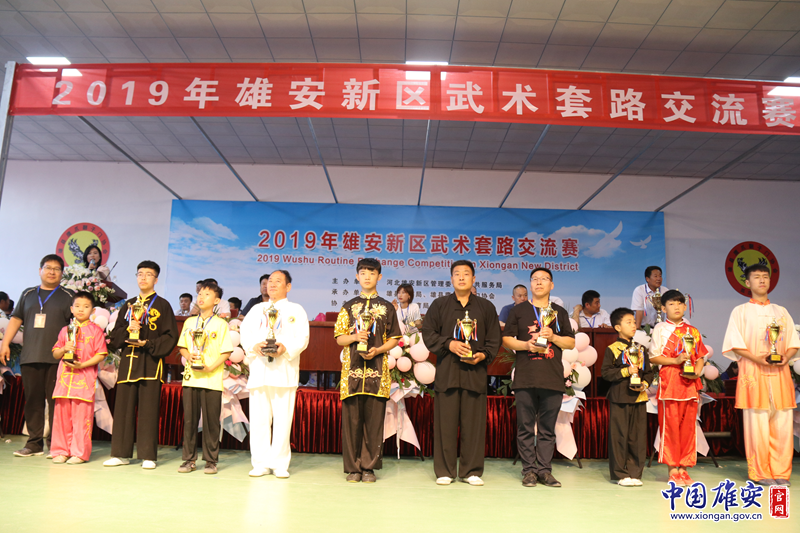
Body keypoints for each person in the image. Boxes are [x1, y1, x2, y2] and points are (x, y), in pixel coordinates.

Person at [423, 260, 500, 487]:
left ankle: (471, 471)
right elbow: (428, 334)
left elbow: (494, 339)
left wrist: (482, 355)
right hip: (447, 374)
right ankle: (445, 471)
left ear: (474, 279)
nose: (462, 277)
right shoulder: (439, 305)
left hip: (474, 374)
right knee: (445, 426)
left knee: (473, 426)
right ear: (451, 279)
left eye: (466, 274)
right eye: (457, 274)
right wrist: (450, 344)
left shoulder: (486, 307)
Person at [722, 264, 799, 486]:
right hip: (754, 374)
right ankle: (760, 472)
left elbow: (793, 342)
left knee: (782, 424)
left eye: (765, 276)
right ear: (748, 283)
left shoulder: (781, 311)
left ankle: (781, 472)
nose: (762, 280)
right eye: (756, 277)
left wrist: (785, 357)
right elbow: (735, 344)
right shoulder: (740, 311)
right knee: (757, 426)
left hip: (780, 374)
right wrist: (758, 359)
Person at [502, 267, 574, 488]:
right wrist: (526, 345)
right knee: (525, 427)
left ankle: (544, 470)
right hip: (526, 376)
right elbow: (506, 339)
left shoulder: (559, 312)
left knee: (547, 429)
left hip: (552, 377)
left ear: (552, 285)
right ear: (530, 284)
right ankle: (529, 471)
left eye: (544, 279)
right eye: (535, 279)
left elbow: (571, 342)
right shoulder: (519, 310)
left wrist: (553, 337)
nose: (539, 282)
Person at [104, 261, 178, 469]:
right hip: (128, 363)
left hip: (151, 364)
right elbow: (114, 337)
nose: (143, 277)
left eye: (148, 274)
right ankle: (120, 454)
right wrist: (129, 329)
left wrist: (148, 344)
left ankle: (148, 456)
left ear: (156, 279)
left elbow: (170, 336)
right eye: (140, 274)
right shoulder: (128, 305)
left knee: (148, 411)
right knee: (123, 411)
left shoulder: (162, 305)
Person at [335, 258, 400, 483]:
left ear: (379, 277)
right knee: (352, 422)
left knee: (374, 423)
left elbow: (395, 338)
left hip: (378, 371)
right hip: (352, 371)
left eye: (372, 273)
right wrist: (355, 337)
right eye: (363, 273)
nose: (367, 277)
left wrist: (379, 350)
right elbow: (339, 338)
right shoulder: (348, 306)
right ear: (357, 276)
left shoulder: (387, 307)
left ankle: (369, 468)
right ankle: (353, 468)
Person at [0, 255, 73, 457]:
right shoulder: (28, 294)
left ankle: (57, 445)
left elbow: (77, 325)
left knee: (56, 403)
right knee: (33, 401)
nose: (52, 272)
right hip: (30, 356)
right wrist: (5, 344)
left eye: (56, 269)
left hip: (58, 358)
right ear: (40, 270)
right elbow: (16, 319)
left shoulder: (69, 295)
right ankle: (34, 444)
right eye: (48, 268)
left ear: (62, 273)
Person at [241, 270, 309, 479]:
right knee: (259, 421)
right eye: (270, 281)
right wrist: (254, 346)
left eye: (278, 281)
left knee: (282, 421)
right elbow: (245, 333)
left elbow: (303, 338)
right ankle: (260, 463)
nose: (271, 284)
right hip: (260, 371)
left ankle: (280, 464)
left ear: (288, 286)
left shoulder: (296, 310)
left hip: (284, 372)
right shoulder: (257, 309)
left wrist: (285, 348)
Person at [648, 289, 706, 486]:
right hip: (670, 383)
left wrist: (697, 371)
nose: (677, 307)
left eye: (680, 303)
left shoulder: (693, 331)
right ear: (663, 308)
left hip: (690, 385)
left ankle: (684, 468)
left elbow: (700, 356)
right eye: (671, 304)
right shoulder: (660, 328)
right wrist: (675, 360)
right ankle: (672, 468)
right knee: (670, 427)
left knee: (688, 428)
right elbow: (654, 357)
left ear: (685, 306)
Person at [176, 281, 233, 475]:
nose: (201, 297)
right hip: (191, 378)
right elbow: (182, 346)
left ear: (216, 300)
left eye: (207, 294)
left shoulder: (221, 324)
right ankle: (189, 459)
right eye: (200, 293)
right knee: (189, 421)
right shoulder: (189, 322)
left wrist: (211, 367)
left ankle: (211, 460)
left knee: (211, 422)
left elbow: (226, 352)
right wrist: (188, 356)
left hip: (212, 379)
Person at [50, 291, 107, 464]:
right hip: (64, 380)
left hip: (84, 379)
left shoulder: (96, 331)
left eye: (86, 306)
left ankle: (79, 453)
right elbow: (55, 353)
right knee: (61, 418)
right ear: (71, 309)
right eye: (77, 306)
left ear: (93, 310)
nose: (81, 309)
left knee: (82, 418)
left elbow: (101, 354)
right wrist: (64, 348)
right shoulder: (65, 330)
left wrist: (83, 365)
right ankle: (61, 451)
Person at [601, 307, 654, 486]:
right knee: (619, 436)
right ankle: (620, 474)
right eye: (628, 322)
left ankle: (635, 473)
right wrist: (626, 371)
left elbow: (649, 373)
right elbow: (606, 373)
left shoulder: (641, 349)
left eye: (634, 322)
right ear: (617, 327)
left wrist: (644, 384)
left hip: (639, 397)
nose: (633, 325)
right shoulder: (612, 349)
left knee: (637, 437)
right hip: (620, 398)